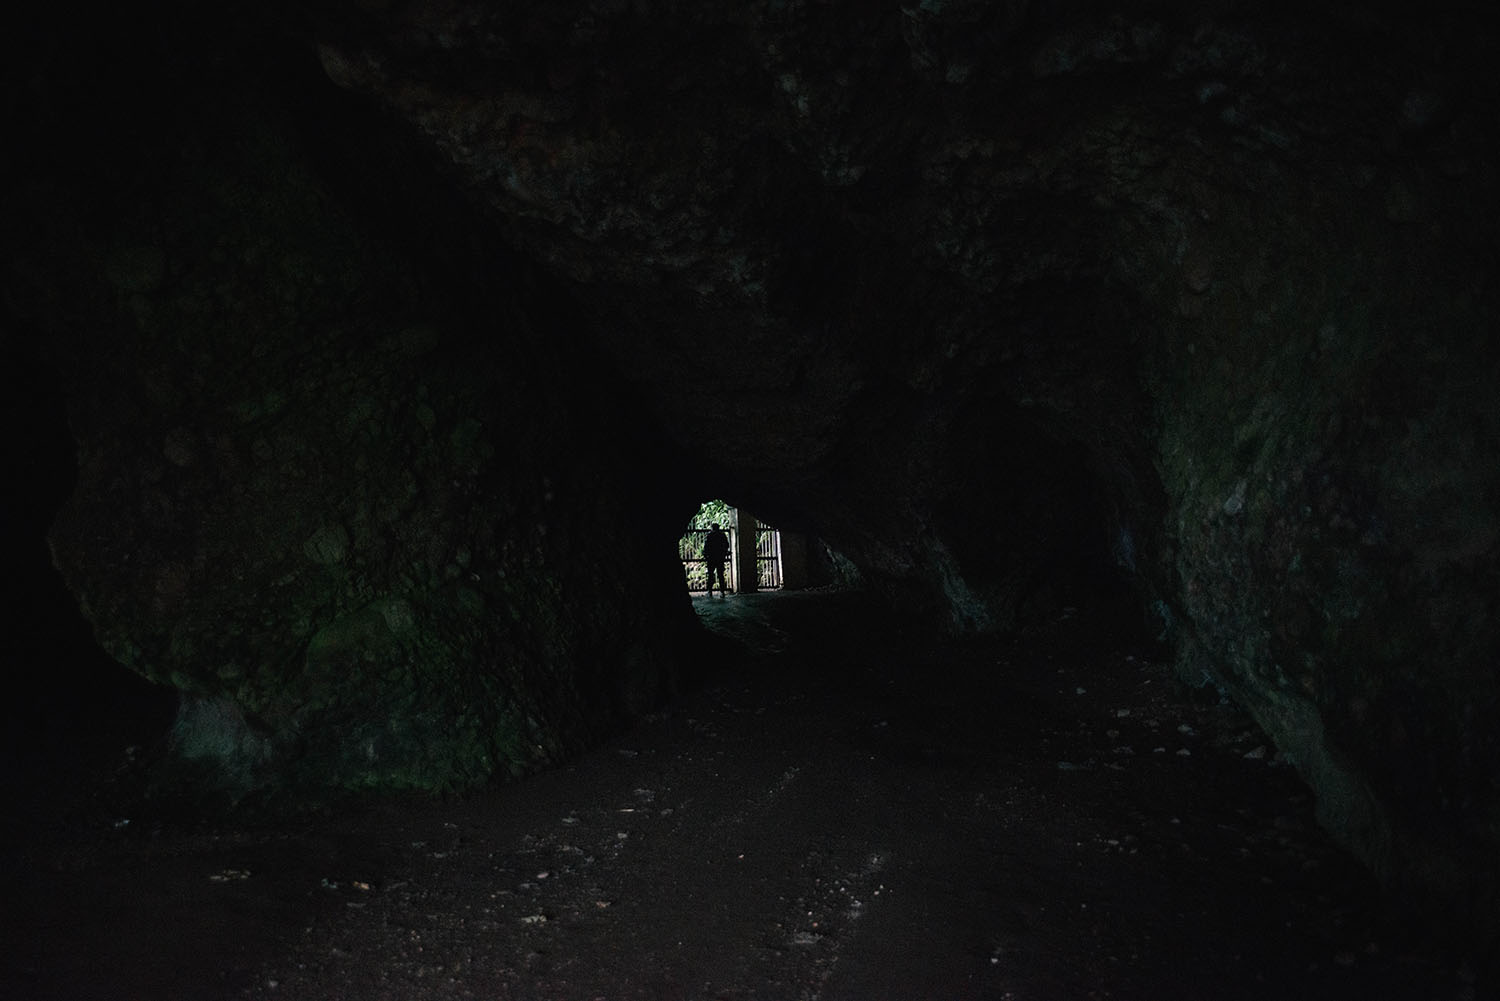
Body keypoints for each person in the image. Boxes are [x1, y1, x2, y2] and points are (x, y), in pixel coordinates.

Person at [703, 522, 730, 597]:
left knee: (711, 575)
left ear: (712, 528)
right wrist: (724, 553)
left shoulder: (709, 535)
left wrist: (705, 555)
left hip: (711, 558)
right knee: (720, 575)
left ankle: (710, 592)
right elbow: (726, 545)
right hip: (720, 557)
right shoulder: (722, 535)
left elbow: (706, 547)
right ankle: (722, 592)